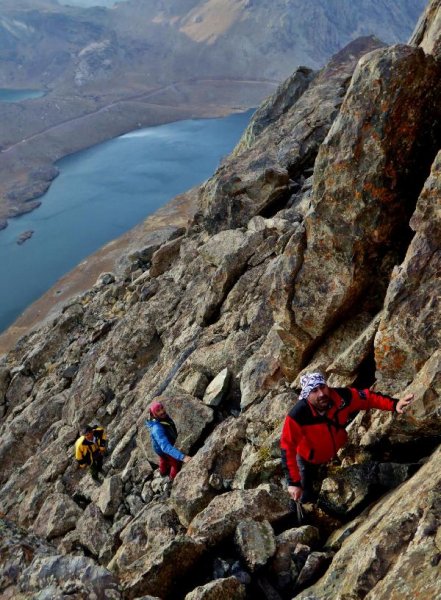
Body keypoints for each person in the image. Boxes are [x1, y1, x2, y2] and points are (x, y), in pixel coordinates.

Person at [280, 372, 414, 504]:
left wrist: (394, 404)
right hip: (308, 459)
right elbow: (287, 448)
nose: (321, 394)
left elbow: (367, 398)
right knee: (305, 496)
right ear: (307, 395)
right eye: (314, 390)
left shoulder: (341, 397)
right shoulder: (298, 415)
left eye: (322, 387)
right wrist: (293, 483)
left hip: (334, 448)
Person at [145, 400, 191, 480]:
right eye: (158, 411)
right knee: (175, 463)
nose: (162, 411)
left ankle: (162, 472)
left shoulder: (162, 418)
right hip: (162, 447)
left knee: (163, 459)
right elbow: (165, 447)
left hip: (158, 447)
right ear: (154, 414)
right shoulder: (157, 428)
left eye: (162, 408)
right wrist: (182, 457)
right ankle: (171, 478)